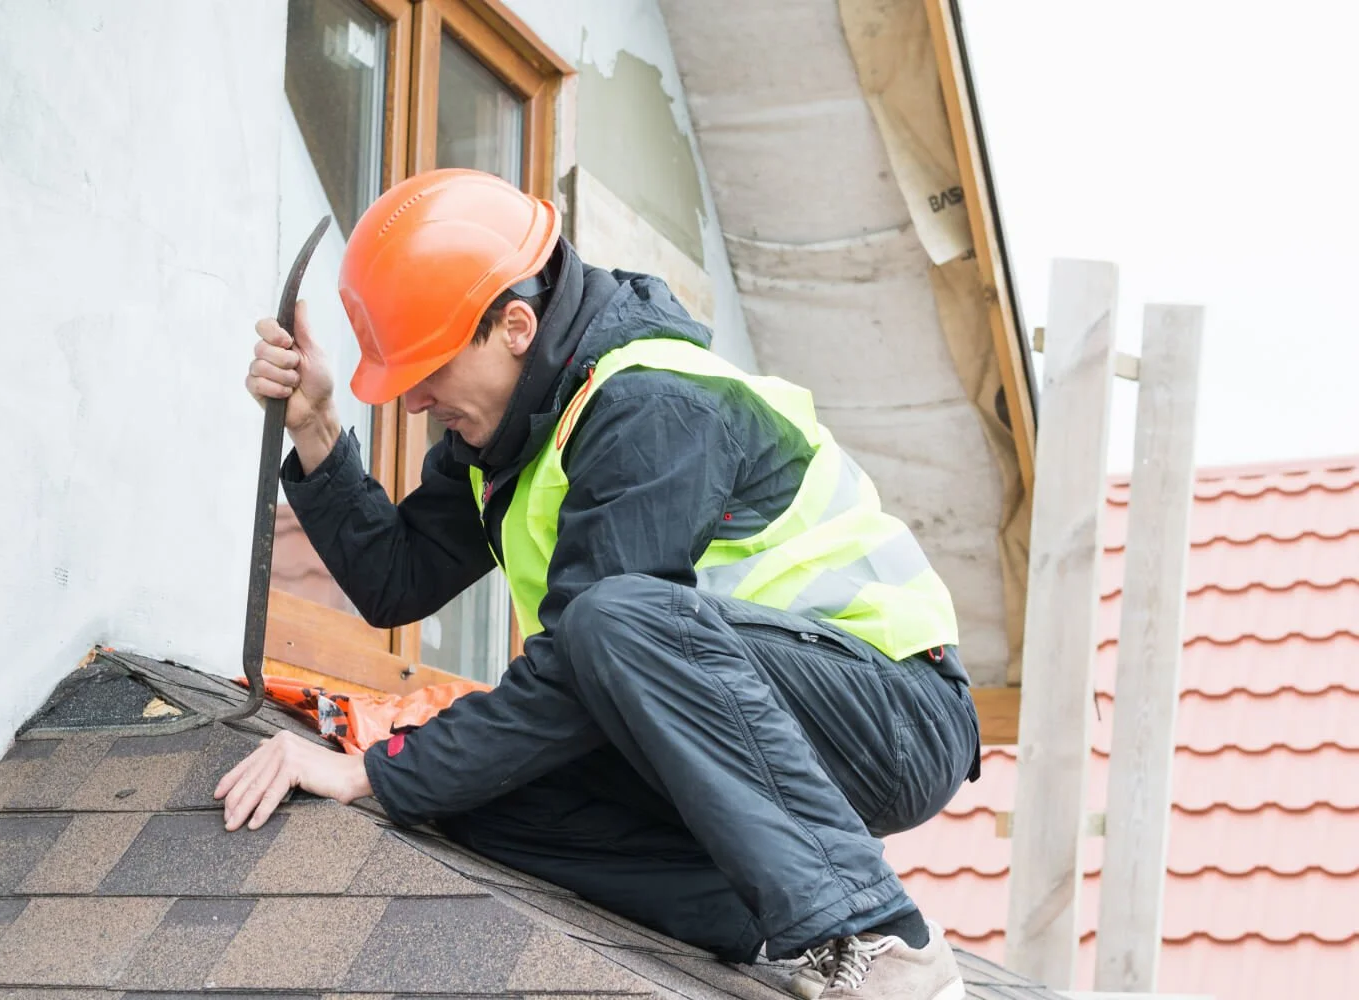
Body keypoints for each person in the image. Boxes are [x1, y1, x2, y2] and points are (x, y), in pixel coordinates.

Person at [216, 168, 981, 1000]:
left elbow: (594, 655)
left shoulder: (653, 406)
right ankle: (739, 904)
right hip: (743, 729)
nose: (412, 402)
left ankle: (882, 939)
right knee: (473, 795)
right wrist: (320, 429)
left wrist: (374, 768)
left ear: (514, 325)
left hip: (893, 710)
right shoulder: (509, 439)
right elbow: (395, 581)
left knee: (607, 622)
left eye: (428, 368)